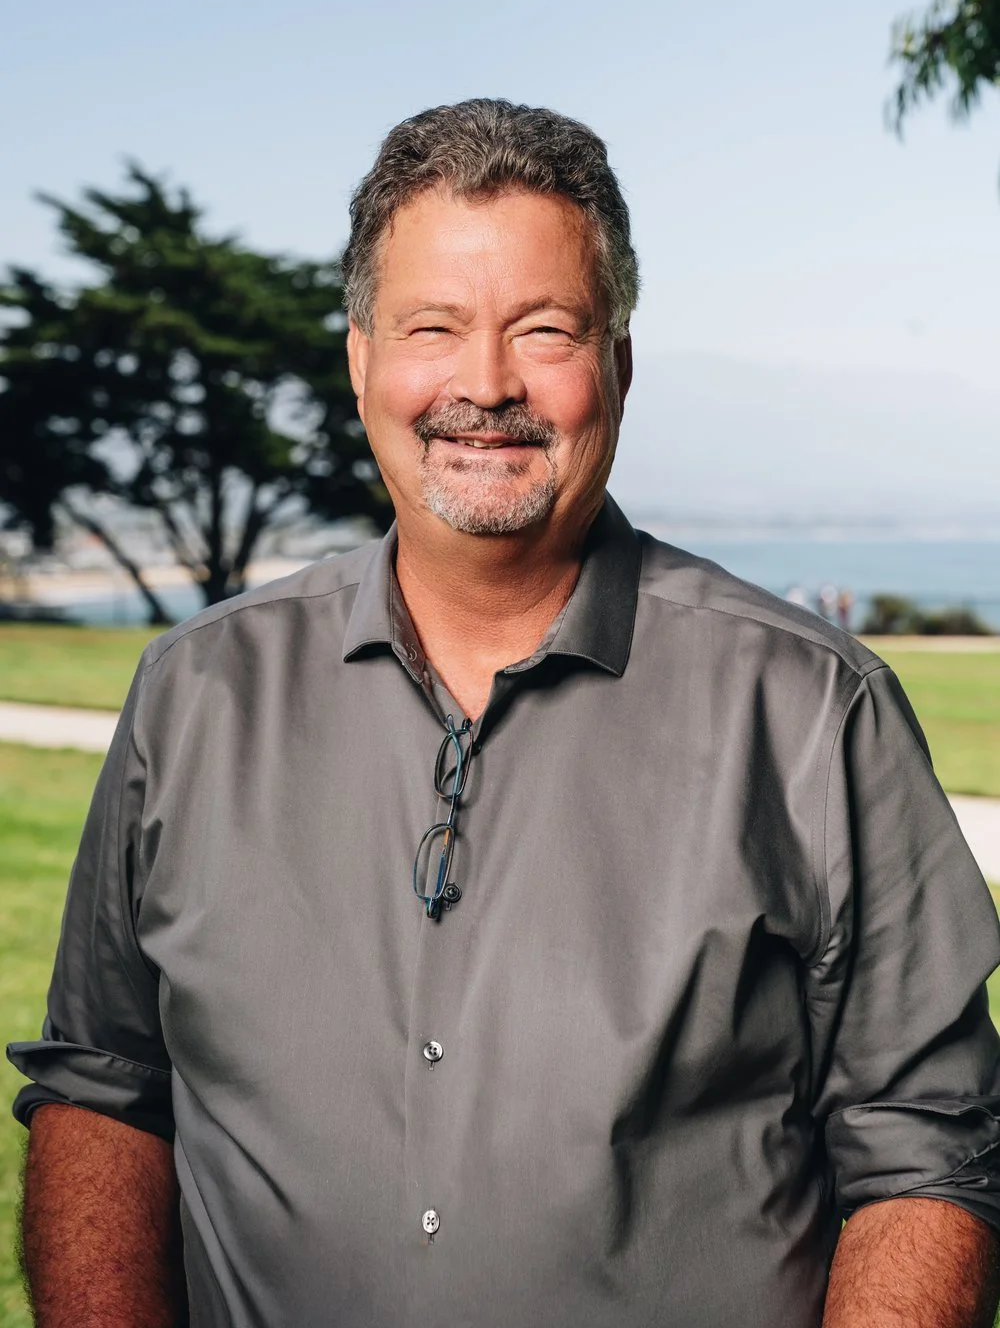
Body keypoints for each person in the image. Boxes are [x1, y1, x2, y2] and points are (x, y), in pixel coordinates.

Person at [9, 99, 1000, 1328]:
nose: (484, 384)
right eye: (434, 327)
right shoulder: (192, 696)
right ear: (363, 356)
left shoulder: (810, 709)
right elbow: (102, 1091)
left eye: (544, 329)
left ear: (619, 363)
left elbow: (925, 1156)